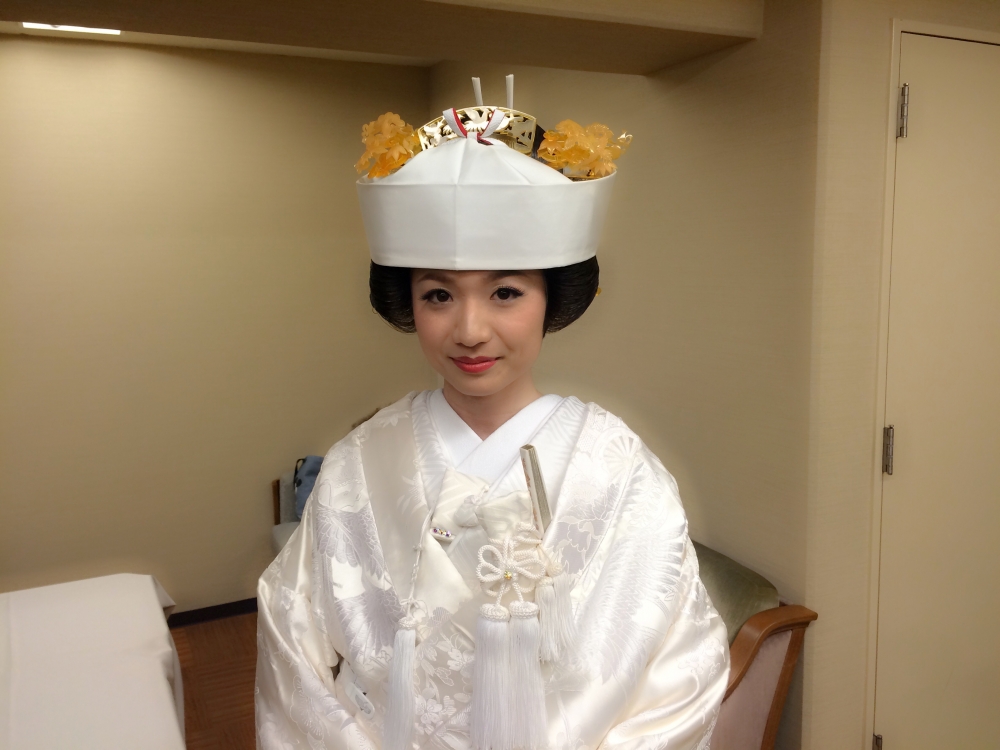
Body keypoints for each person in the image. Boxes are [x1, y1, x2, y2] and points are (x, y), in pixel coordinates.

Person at [256, 77, 729, 750]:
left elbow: (680, 671)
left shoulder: (617, 466)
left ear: (551, 300)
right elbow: (293, 641)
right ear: (408, 303)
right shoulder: (361, 461)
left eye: (505, 292)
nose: (470, 331)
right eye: (438, 295)